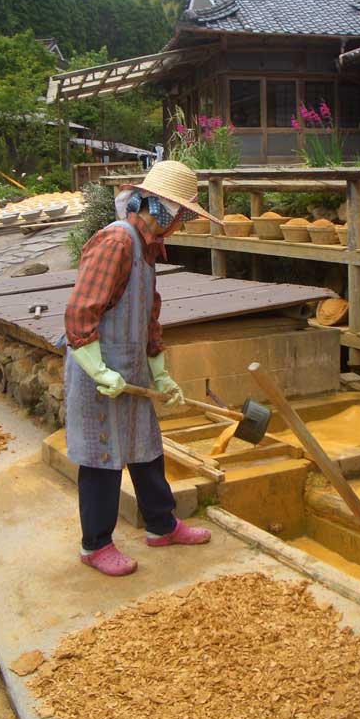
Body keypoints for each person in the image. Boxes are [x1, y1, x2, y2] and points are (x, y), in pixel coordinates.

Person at [61, 160, 221, 576]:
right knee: (102, 456)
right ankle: (95, 545)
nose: (181, 222)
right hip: (99, 373)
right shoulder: (116, 242)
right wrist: (98, 370)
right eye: (181, 213)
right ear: (161, 208)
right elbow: (80, 312)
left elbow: (149, 320)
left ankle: (161, 525)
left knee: (145, 448)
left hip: (130, 371)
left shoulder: (148, 251)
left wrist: (161, 373)